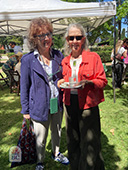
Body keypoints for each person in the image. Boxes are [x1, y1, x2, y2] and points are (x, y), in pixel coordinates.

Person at [20, 17, 69, 170]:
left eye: (48, 34)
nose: (46, 38)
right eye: (41, 35)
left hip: (57, 103)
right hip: (39, 105)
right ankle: (40, 161)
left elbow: (64, 76)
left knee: (57, 131)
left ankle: (56, 153)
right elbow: (24, 86)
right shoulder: (28, 60)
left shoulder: (58, 55)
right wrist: (25, 109)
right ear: (34, 38)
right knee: (40, 138)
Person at [57, 23, 108, 170]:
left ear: (83, 39)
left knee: (90, 142)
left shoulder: (93, 57)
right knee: (72, 140)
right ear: (67, 40)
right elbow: (64, 81)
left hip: (88, 104)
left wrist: (90, 82)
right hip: (69, 103)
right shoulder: (65, 60)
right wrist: (60, 82)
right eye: (71, 38)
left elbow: (103, 81)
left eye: (78, 37)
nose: (74, 41)